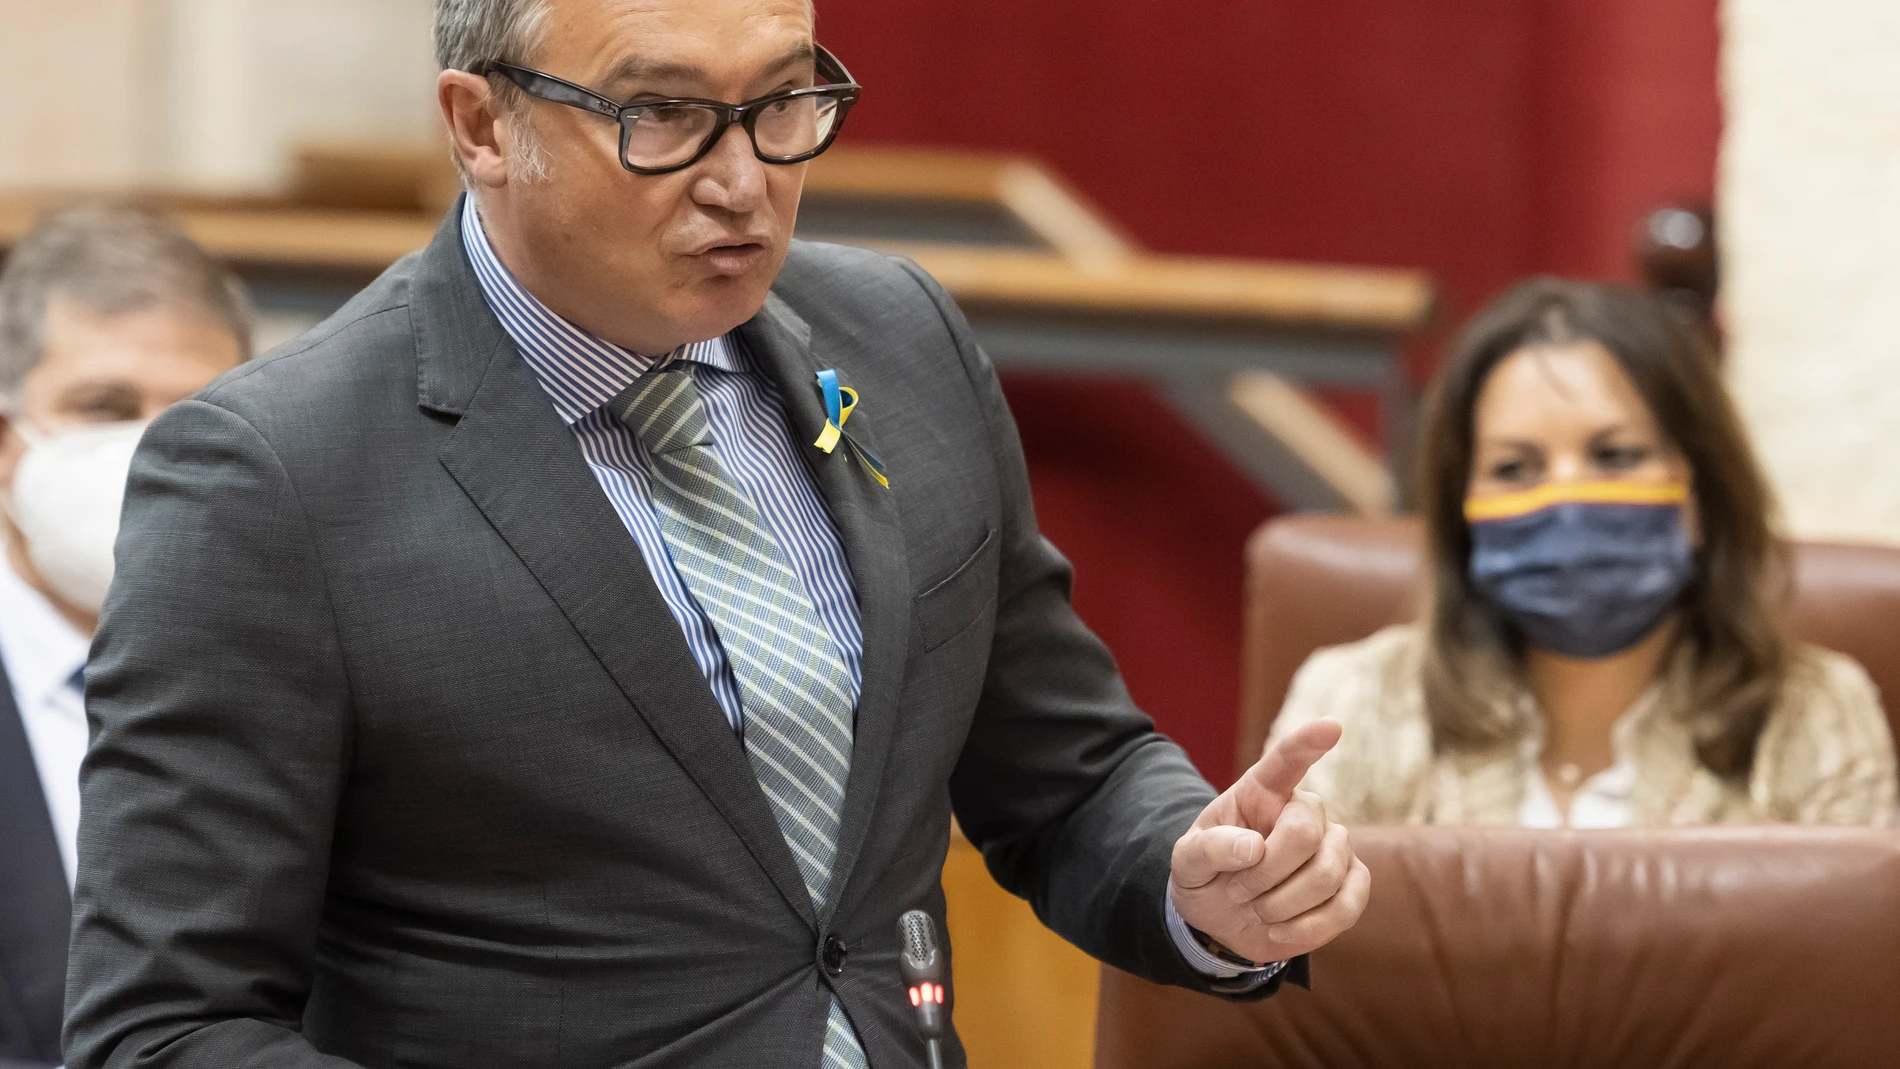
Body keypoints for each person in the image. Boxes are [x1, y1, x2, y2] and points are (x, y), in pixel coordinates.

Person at [63, 2, 1369, 1066]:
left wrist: (1200, 885)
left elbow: (1065, 770)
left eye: (785, 102)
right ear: (482, 123)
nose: (744, 182)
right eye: (667, 116)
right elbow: (166, 1026)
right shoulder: (273, 473)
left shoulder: (901, 345)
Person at [1268, 278, 1898, 827]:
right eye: (1515, 467)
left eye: (1615, 456)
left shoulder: (1818, 715)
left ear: (1699, 491)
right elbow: (1272, 957)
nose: (1566, 499)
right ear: (1463, 506)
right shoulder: (1351, 702)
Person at [0, 206, 248, 1068]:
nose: (148, 451)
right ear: (5, 440)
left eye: (197, 411)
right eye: (103, 406)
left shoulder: (297, 674)